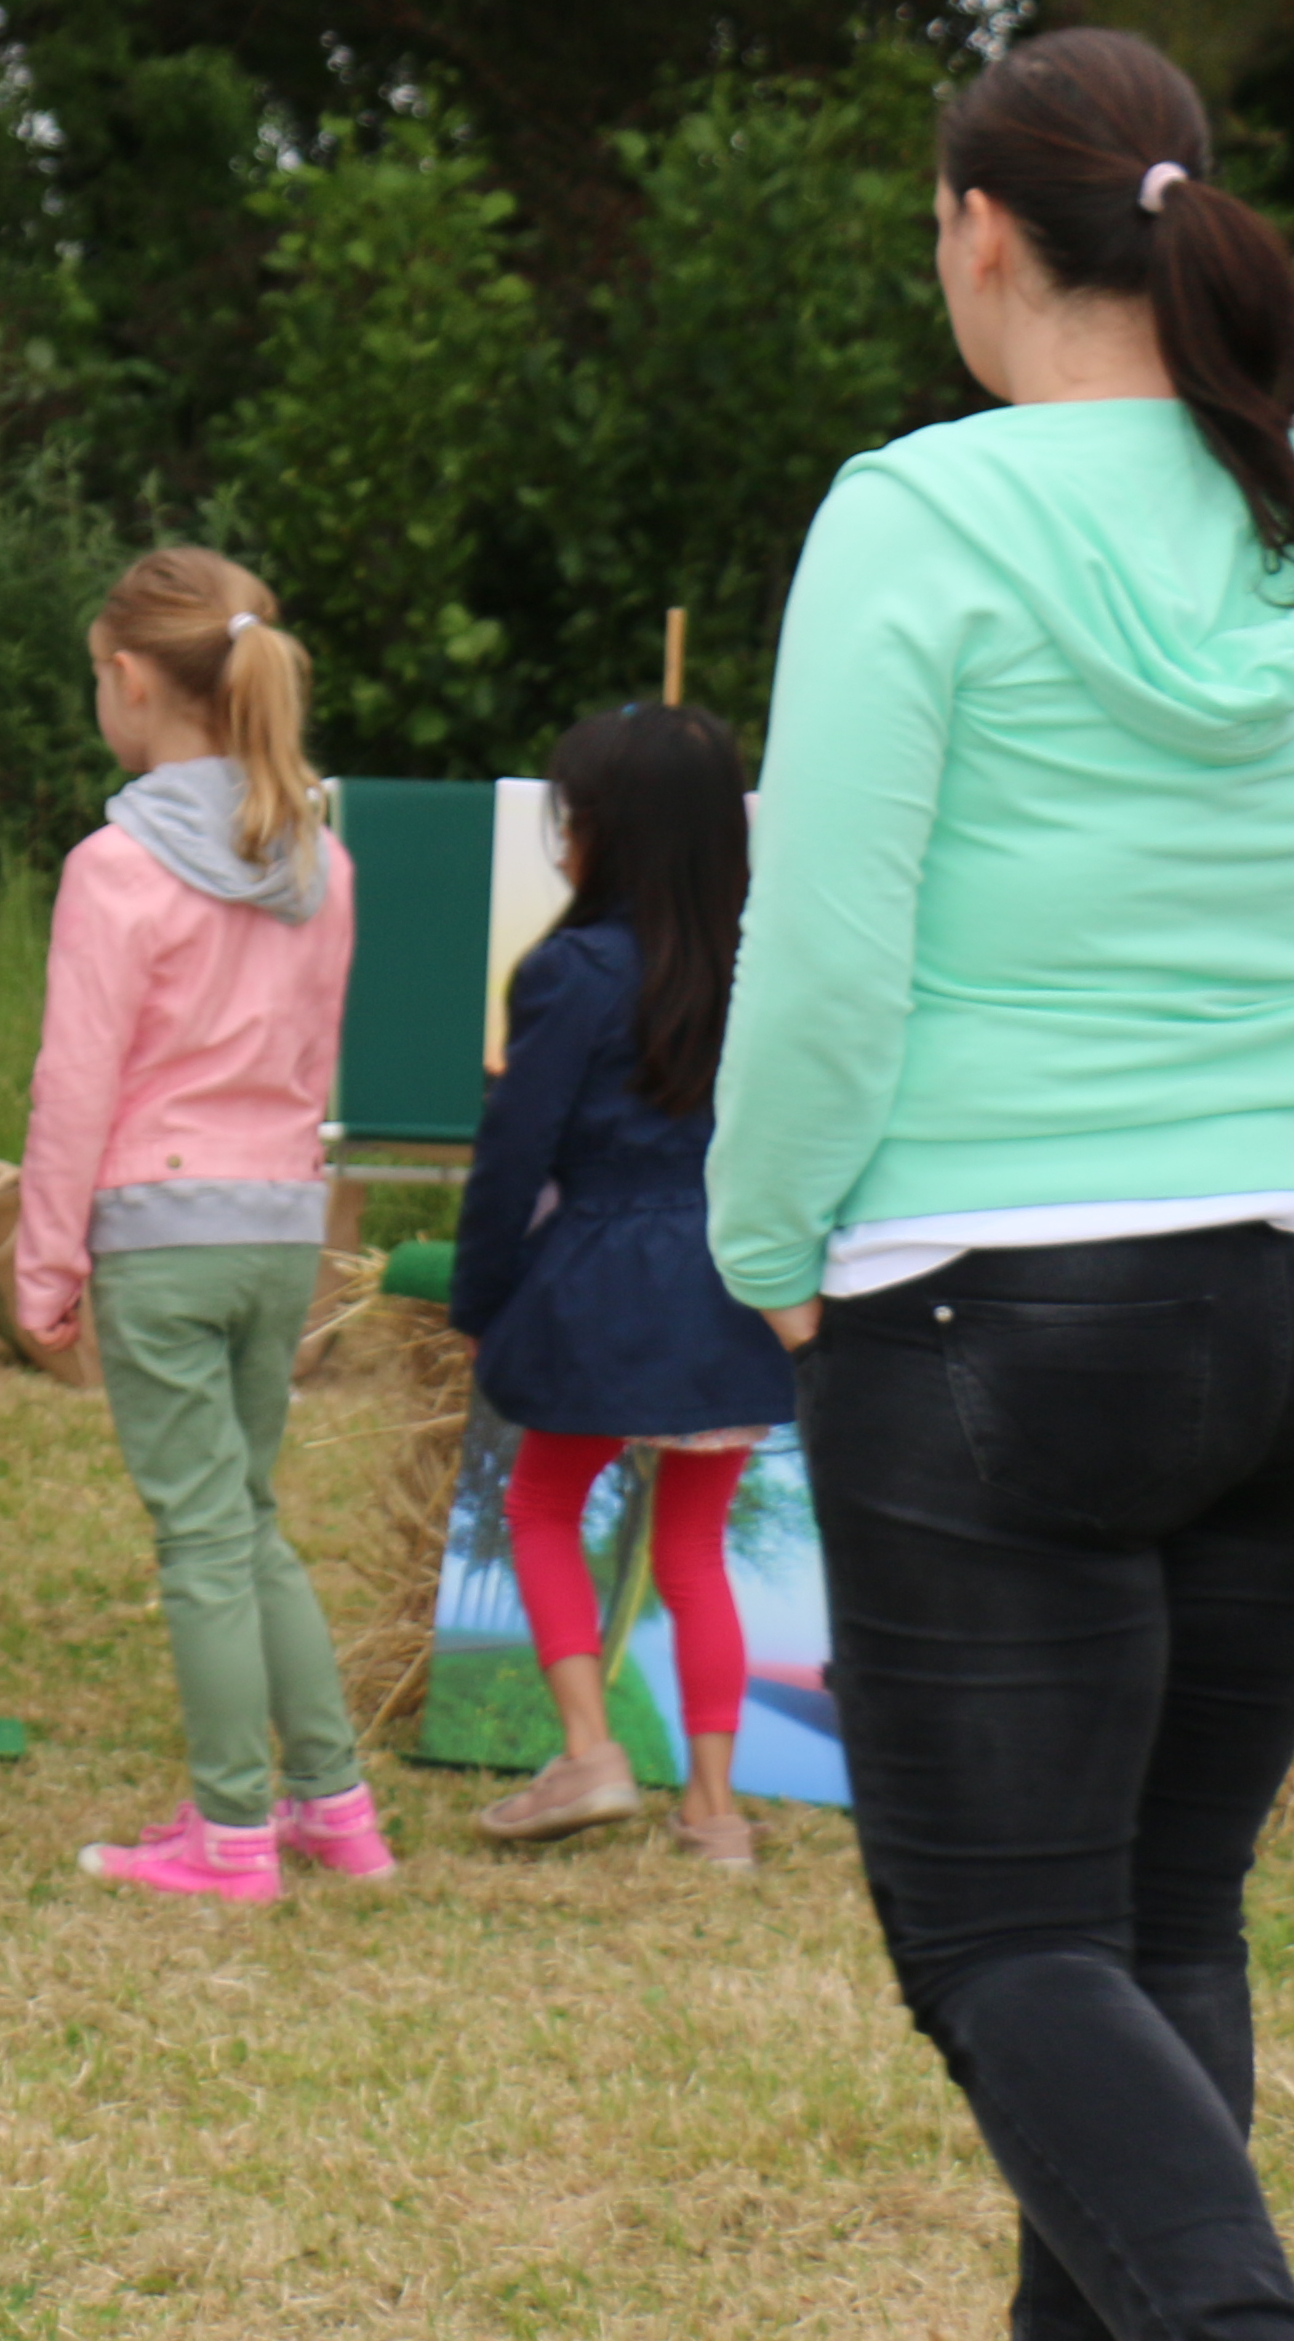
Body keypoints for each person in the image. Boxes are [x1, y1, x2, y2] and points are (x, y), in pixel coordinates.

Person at [717, 27, 1294, 2338]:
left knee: (1003, 1937)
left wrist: (761, 1243)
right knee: (1154, 1917)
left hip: (994, 1307)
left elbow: (823, 947)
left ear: (974, 232)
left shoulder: (916, 516)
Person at [16, 546, 385, 1907]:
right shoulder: (320, 866)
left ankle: (232, 1834)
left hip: (159, 1233)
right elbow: (318, 1061)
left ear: (127, 683)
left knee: (199, 1542)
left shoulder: (113, 869)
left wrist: (42, 1264)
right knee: (252, 1516)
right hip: (281, 1228)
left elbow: (75, 1086)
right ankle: (334, 1808)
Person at [448, 698, 796, 1865]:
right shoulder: (775, 970)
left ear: (601, 832)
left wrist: (482, 1301)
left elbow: (513, 1158)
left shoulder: (575, 972)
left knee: (543, 1504)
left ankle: (590, 1751)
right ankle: (714, 1810)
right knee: (694, 1550)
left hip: (601, 1277)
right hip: (738, 1285)